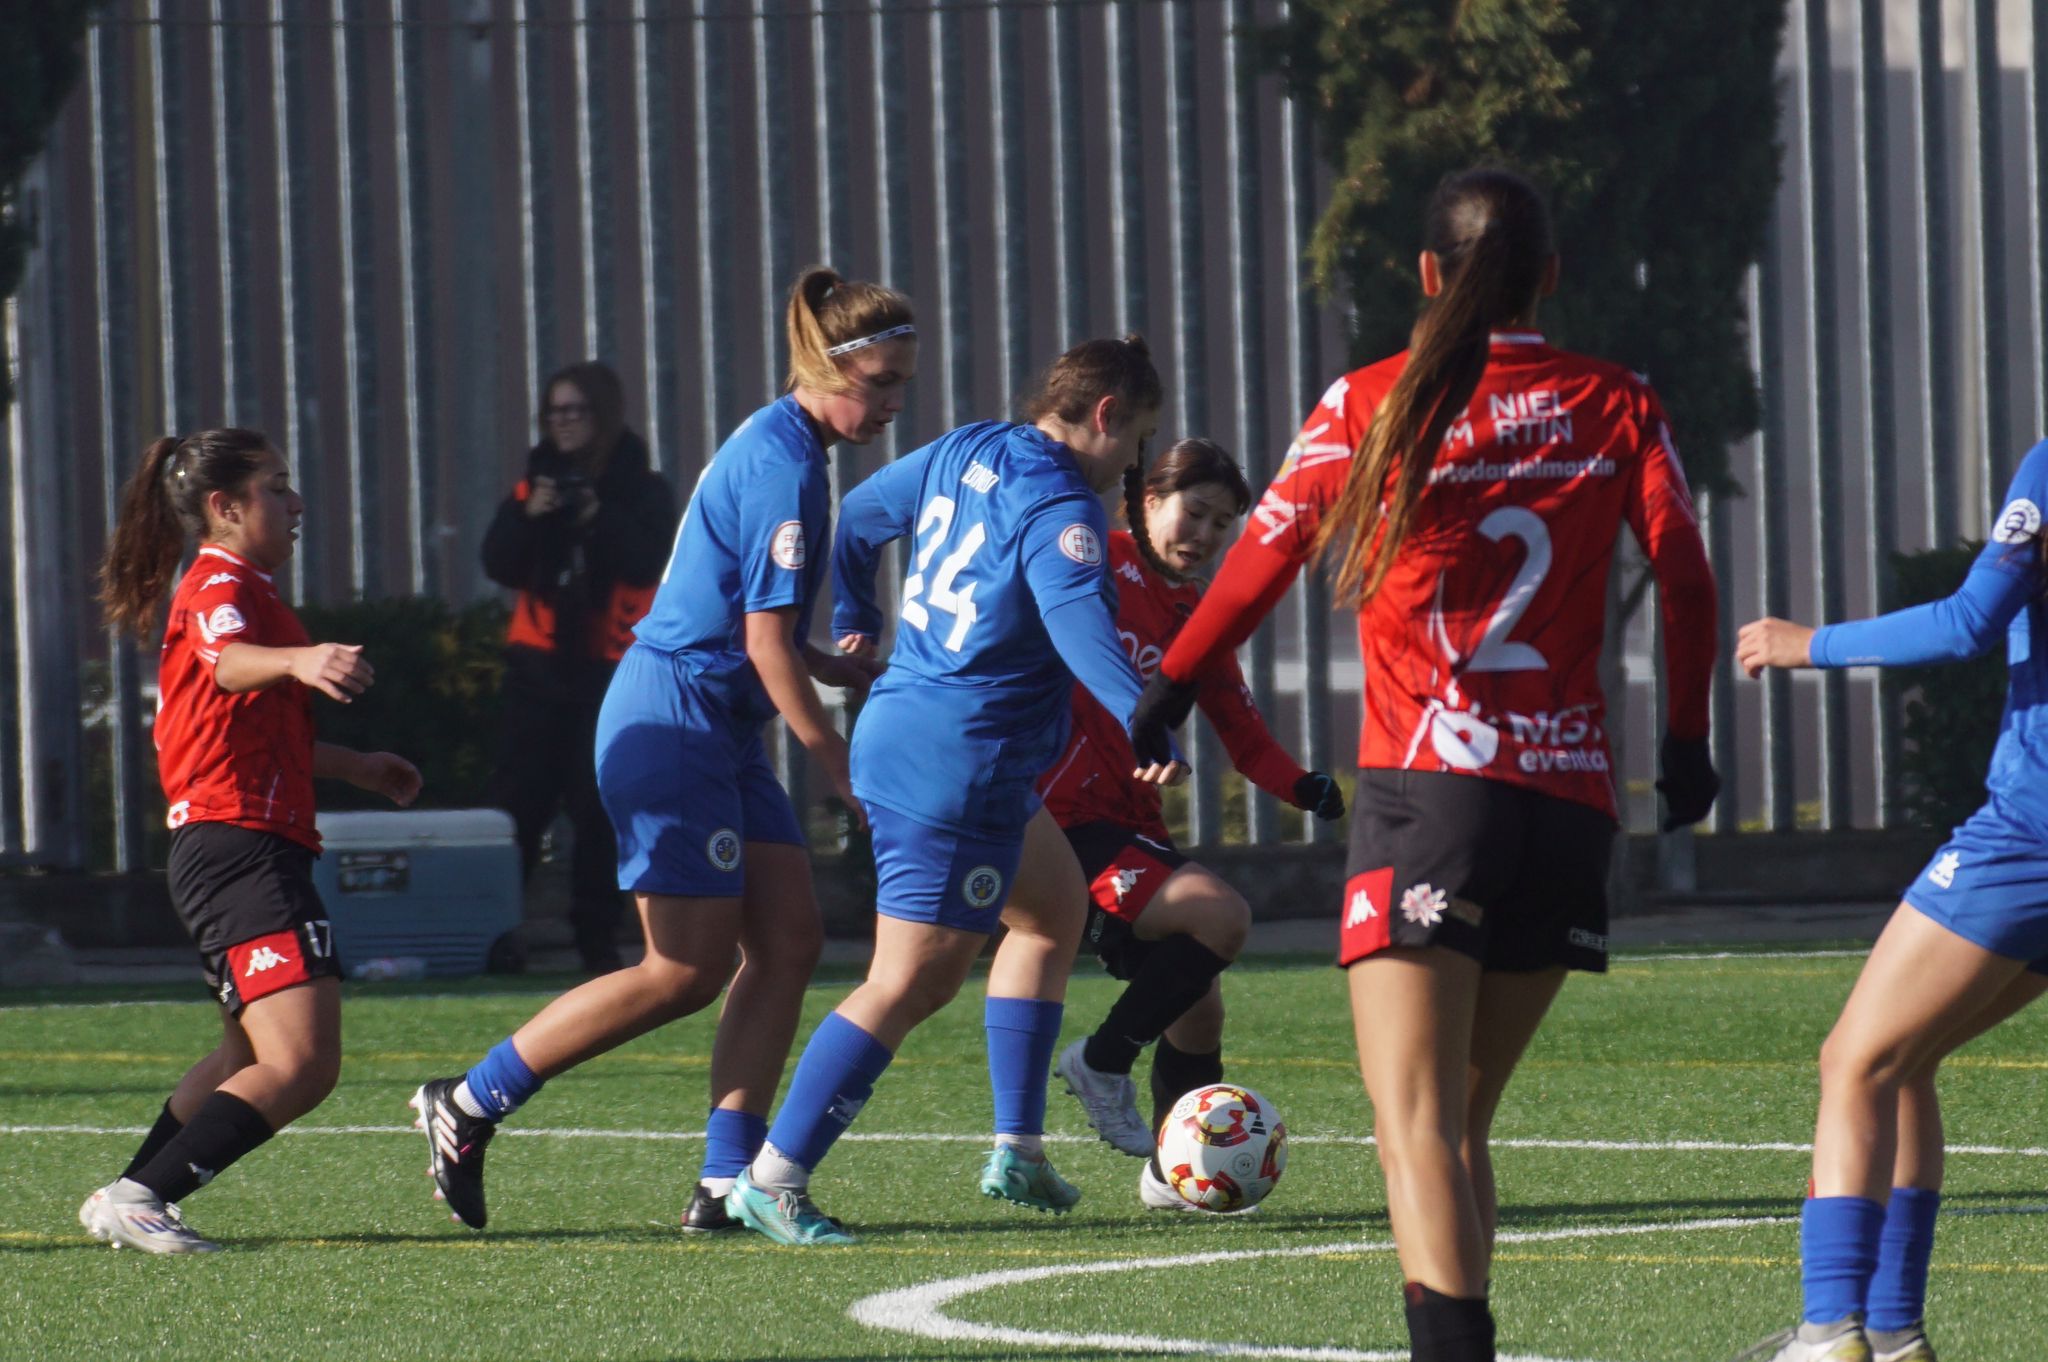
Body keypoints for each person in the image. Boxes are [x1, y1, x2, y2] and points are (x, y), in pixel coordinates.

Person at [1127, 168, 1720, 1360]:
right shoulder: (1616, 398)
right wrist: (1685, 744)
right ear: (1550, 276)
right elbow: (1686, 575)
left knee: (1415, 1129)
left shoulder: (1369, 402)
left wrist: (1169, 688)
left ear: (1426, 276)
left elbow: (1256, 564)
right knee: (1455, 1122)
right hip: (1567, 805)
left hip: (1427, 796)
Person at [411, 268, 913, 1233]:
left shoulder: (796, 450)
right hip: (675, 717)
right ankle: (468, 1102)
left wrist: (830, 668)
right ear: (823, 369)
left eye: (901, 385)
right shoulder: (783, 465)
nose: (892, 404)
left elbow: (746, 618)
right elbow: (758, 642)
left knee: (790, 939)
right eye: (881, 384)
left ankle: (727, 1183)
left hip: (716, 723)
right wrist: (839, 766)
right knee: (680, 971)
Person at [723, 335, 1186, 1246]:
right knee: (908, 981)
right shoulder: (1064, 511)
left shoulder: (966, 446)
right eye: (1139, 437)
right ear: (1104, 417)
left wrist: (857, 613)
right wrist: (1146, 718)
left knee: (1052, 911)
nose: (1135, 462)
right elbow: (1080, 628)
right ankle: (773, 1179)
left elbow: (857, 515)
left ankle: (1018, 1147)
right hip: (961, 758)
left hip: (925, 731)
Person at [1729, 443, 2048, 1362]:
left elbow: (1967, 623)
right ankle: (1897, 1329)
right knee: (1905, 1063)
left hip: (2030, 836)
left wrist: (1808, 645)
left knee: (1854, 1061)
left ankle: (1830, 1328)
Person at [79, 429, 422, 1253]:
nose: (296, 503)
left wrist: (358, 768)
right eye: (277, 487)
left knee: (246, 1053)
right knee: (303, 1062)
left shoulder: (245, 586)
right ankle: (143, 1196)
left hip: (234, 845)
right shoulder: (219, 582)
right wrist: (303, 661)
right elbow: (229, 661)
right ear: (224, 508)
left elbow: (248, 731)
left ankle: (126, 1195)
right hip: (240, 849)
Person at [1037, 436, 1346, 1201]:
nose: (1204, 536)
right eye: (1194, 513)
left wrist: (1303, 787)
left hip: (1130, 822)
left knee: (1199, 1012)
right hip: (1061, 819)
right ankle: (1102, 1061)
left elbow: (1242, 734)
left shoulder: (1198, 611)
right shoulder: (1091, 561)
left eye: (1221, 525)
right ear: (1146, 503)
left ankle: (1169, 1177)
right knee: (1221, 916)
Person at [481, 359, 678, 973]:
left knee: (598, 809)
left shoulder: (641, 487)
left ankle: (597, 940)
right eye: (555, 412)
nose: (563, 423)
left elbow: (648, 560)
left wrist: (597, 516)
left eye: (576, 410)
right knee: (518, 805)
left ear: (604, 413)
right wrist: (528, 515)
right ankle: (499, 937)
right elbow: (500, 563)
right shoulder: (534, 483)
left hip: (609, 666)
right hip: (538, 670)